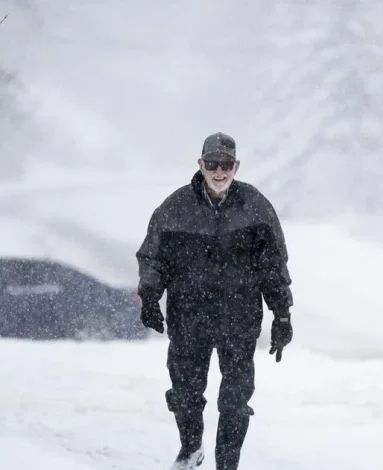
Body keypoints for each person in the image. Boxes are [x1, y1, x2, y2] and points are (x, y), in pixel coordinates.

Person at [136, 132, 294, 470]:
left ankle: (227, 465)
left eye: (226, 165)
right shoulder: (175, 208)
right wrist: (150, 296)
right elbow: (153, 257)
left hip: (239, 320)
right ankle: (191, 448)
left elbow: (273, 266)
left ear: (236, 166)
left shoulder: (256, 208)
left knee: (235, 401)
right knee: (185, 394)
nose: (219, 172)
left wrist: (282, 315)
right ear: (200, 165)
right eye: (212, 164)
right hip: (188, 318)